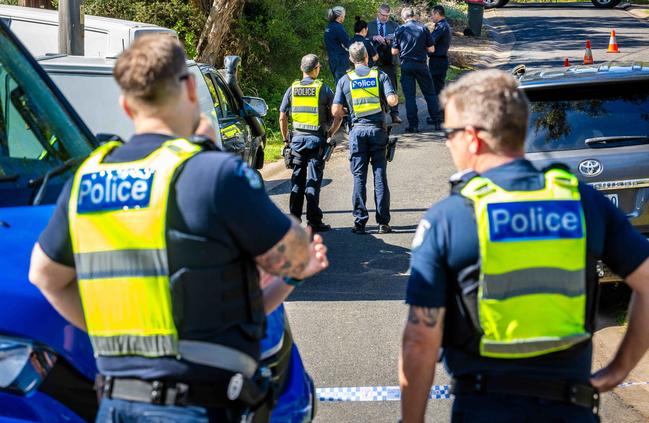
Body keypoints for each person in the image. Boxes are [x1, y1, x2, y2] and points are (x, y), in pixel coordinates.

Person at [28, 34, 329, 423]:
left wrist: (106, 333)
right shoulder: (213, 174)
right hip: (198, 405)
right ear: (189, 87)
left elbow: (44, 275)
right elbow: (295, 250)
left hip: (116, 405)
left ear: (125, 104)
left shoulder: (88, 180)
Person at [399, 69, 649, 423]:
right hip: (572, 411)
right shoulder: (583, 202)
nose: (446, 142)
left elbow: (420, 340)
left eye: (449, 133)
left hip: (484, 410)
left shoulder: (449, 216)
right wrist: (619, 369)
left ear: (472, 138)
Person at [332, 42, 399, 234]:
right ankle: (383, 222)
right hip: (378, 131)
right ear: (367, 57)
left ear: (351, 59)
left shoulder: (345, 80)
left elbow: (336, 110)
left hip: (357, 133)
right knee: (380, 176)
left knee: (359, 177)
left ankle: (360, 222)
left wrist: (348, 110)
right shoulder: (379, 75)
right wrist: (390, 100)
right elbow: (392, 100)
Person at [279, 54, 341, 232]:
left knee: (297, 181)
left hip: (297, 142)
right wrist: (331, 132)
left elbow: (282, 117)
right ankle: (314, 221)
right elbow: (337, 114)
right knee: (313, 181)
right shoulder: (323, 89)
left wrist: (286, 140)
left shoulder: (292, 89)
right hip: (316, 142)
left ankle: (294, 219)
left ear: (301, 69)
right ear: (316, 69)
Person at [391, 7, 440, 133]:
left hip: (406, 65)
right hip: (421, 64)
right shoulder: (423, 28)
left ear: (404, 17)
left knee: (410, 97)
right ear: (415, 16)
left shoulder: (400, 29)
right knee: (429, 93)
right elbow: (432, 49)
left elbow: (394, 51)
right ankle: (437, 121)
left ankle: (413, 125)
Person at [367, 4, 401, 124]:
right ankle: (379, 114)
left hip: (389, 60)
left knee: (392, 86)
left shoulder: (394, 25)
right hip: (373, 60)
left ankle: (395, 113)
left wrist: (390, 40)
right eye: (383, 15)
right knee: (375, 88)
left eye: (387, 16)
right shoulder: (369, 25)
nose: (385, 18)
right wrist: (374, 38)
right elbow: (364, 39)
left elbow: (400, 40)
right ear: (378, 13)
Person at [427, 5, 452, 97]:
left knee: (437, 89)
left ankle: (440, 111)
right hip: (438, 60)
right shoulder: (442, 25)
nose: (431, 17)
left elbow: (430, 41)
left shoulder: (441, 26)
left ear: (437, 14)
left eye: (432, 14)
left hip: (438, 61)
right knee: (437, 88)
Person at [323, 6, 351, 84]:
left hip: (332, 59)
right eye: (344, 16)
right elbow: (348, 44)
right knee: (343, 84)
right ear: (340, 16)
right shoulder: (338, 28)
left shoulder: (328, 27)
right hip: (341, 60)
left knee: (338, 83)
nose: (344, 18)